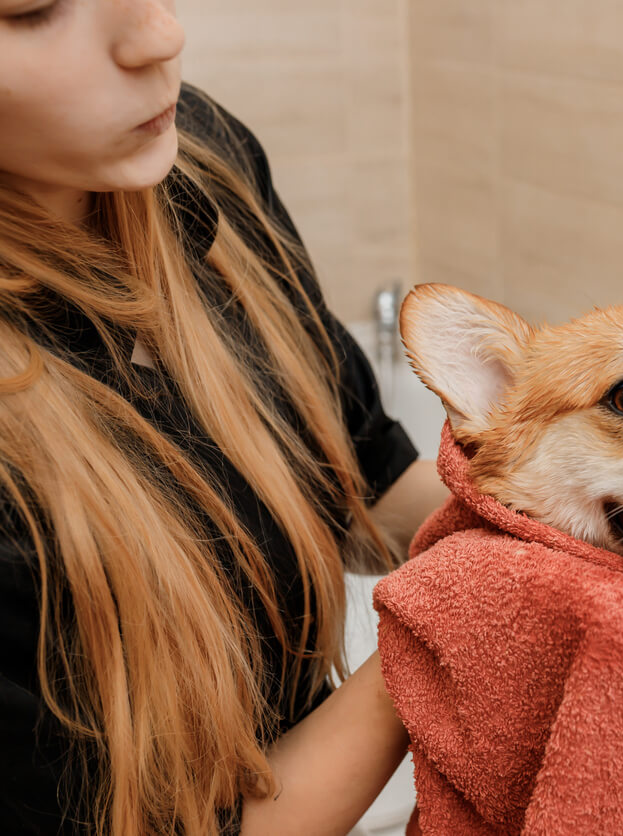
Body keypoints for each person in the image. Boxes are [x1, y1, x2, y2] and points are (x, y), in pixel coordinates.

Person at [0, 1, 448, 834]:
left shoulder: (202, 153)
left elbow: (362, 484)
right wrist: (442, 634)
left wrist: (582, 519)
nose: (161, 35)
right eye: (31, 7)